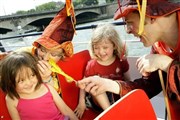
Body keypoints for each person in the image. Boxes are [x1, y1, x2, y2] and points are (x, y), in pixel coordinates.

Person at [77, 0, 180, 119]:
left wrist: (166, 64)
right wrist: (108, 84)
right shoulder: (158, 45)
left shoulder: (159, 52)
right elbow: (150, 86)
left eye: (129, 22)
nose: (127, 30)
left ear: (151, 15)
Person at [0, 51, 78, 120]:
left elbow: (65, 109)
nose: (29, 83)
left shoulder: (48, 88)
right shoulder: (12, 98)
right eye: (21, 80)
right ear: (9, 82)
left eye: (32, 75)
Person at [74, 23, 131, 118]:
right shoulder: (92, 65)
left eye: (105, 47)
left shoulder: (121, 61)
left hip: (116, 96)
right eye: (96, 48)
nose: (101, 52)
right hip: (98, 100)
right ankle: (111, 114)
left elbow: (128, 81)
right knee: (96, 86)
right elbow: (83, 85)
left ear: (114, 45)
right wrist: (81, 103)